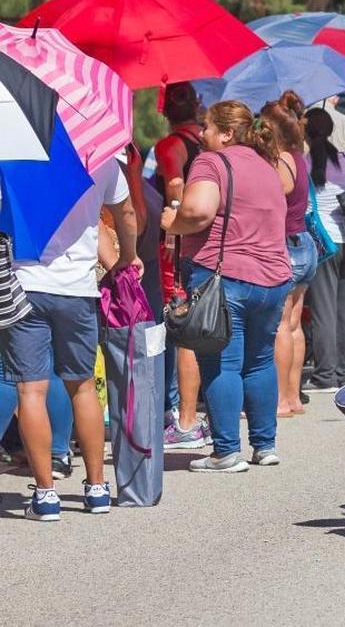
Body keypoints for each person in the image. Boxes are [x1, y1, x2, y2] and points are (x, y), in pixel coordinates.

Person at [1, 159, 139, 518]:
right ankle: (96, 489)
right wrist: (127, 256)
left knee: (31, 390)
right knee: (82, 387)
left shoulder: (16, 151)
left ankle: (45, 495)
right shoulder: (103, 158)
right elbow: (125, 212)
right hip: (78, 288)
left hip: (24, 284)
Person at [160, 101, 292, 472]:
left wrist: (173, 220)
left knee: (221, 363)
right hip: (273, 277)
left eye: (207, 127)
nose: (201, 134)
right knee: (260, 360)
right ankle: (265, 445)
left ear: (227, 133)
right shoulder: (268, 165)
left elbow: (199, 211)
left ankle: (226, 451)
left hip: (226, 276)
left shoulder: (211, 162)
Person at [153, 82, 210, 449]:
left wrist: (173, 230)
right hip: (206, 235)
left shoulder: (169, 146)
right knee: (194, 320)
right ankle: (187, 408)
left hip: (179, 237)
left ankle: (178, 413)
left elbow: (174, 185)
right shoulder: (206, 142)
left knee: (178, 321)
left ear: (163, 111)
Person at [303, 108, 345, 391]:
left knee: (323, 309)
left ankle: (325, 374)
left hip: (324, 242)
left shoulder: (304, 163)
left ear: (306, 133)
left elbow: (305, 207)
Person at [260, 93, 316, 416]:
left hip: (287, 244)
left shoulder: (281, 161)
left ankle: (280, 398)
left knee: (281, 324)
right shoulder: (300, 155)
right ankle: (293, 397)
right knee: (293, 324)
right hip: (304, 244)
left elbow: (273, 200)